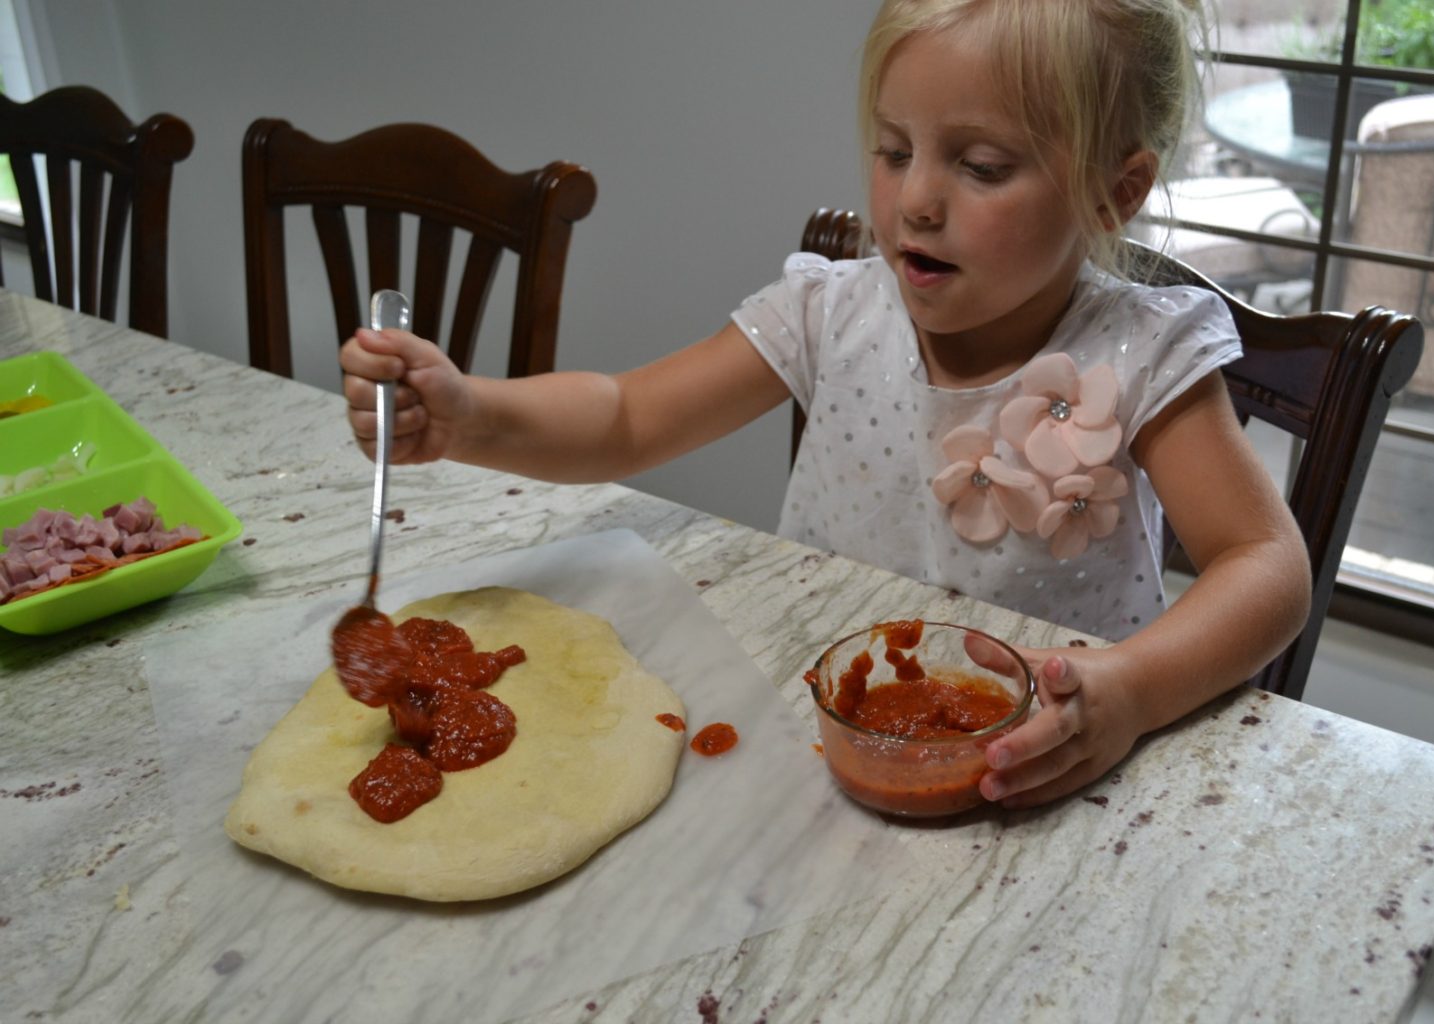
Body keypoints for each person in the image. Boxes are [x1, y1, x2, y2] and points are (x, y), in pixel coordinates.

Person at [339, 0, 1311, 810]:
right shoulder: (829, 311)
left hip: (1054, 769)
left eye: (980, 166)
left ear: (1114, 191)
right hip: (820, 760)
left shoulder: (1143, 353)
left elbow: (1264, 564)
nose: (916, 200)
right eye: (894, 150)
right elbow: (629, 415)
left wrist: (1133, 691)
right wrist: (470, 416)